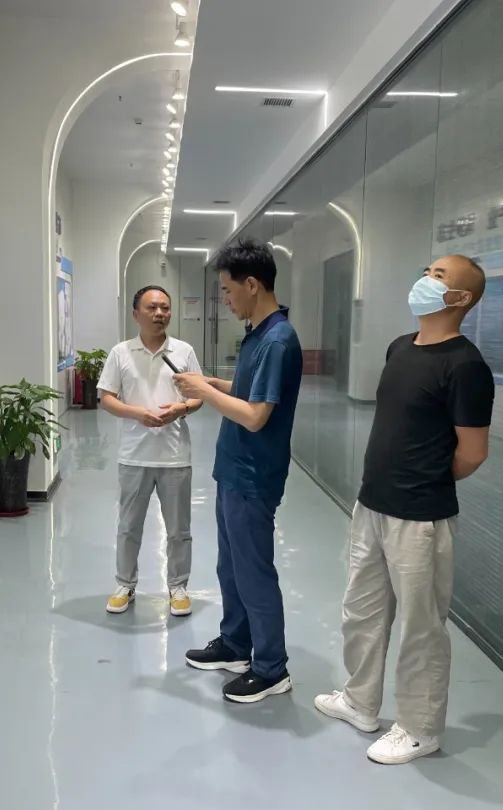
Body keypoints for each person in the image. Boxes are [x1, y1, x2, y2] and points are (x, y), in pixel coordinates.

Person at [314, 255, 494, 764]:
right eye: (427, 271)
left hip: (420, 516)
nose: (426, 280)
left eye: (439, 276)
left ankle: (419, 728)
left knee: (421, 626)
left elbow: (473, 452)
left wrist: (426, 478)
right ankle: (359, 701)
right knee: (362, 610)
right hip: (372, 503)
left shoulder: (466, 366)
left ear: (461, 298)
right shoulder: (400, 346)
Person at [174, 239, 303, 704]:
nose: (225, 300)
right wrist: (213, 382)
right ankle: (235, 643)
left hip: (254, 475)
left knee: (253, 571)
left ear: (252, 285)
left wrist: (204, 394)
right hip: (233, 470)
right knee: (230, 566)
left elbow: (255, 415)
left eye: (228, 290)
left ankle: (271, 668)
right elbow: (250, 390)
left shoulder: (277, 339)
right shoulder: (257, 334)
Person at [96, 285, 203, 616]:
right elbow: (106, 397)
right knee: (128, 527)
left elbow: (199, 396)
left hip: (175, 456)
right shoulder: (121, 353)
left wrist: (182, 409)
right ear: (135, 314)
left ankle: (178, 587)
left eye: (165, 308)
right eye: (152, 307)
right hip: (134, 456)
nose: (160, 313)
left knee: (179, 530)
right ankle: (124, 585)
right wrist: (136, 413)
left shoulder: (183, 352)